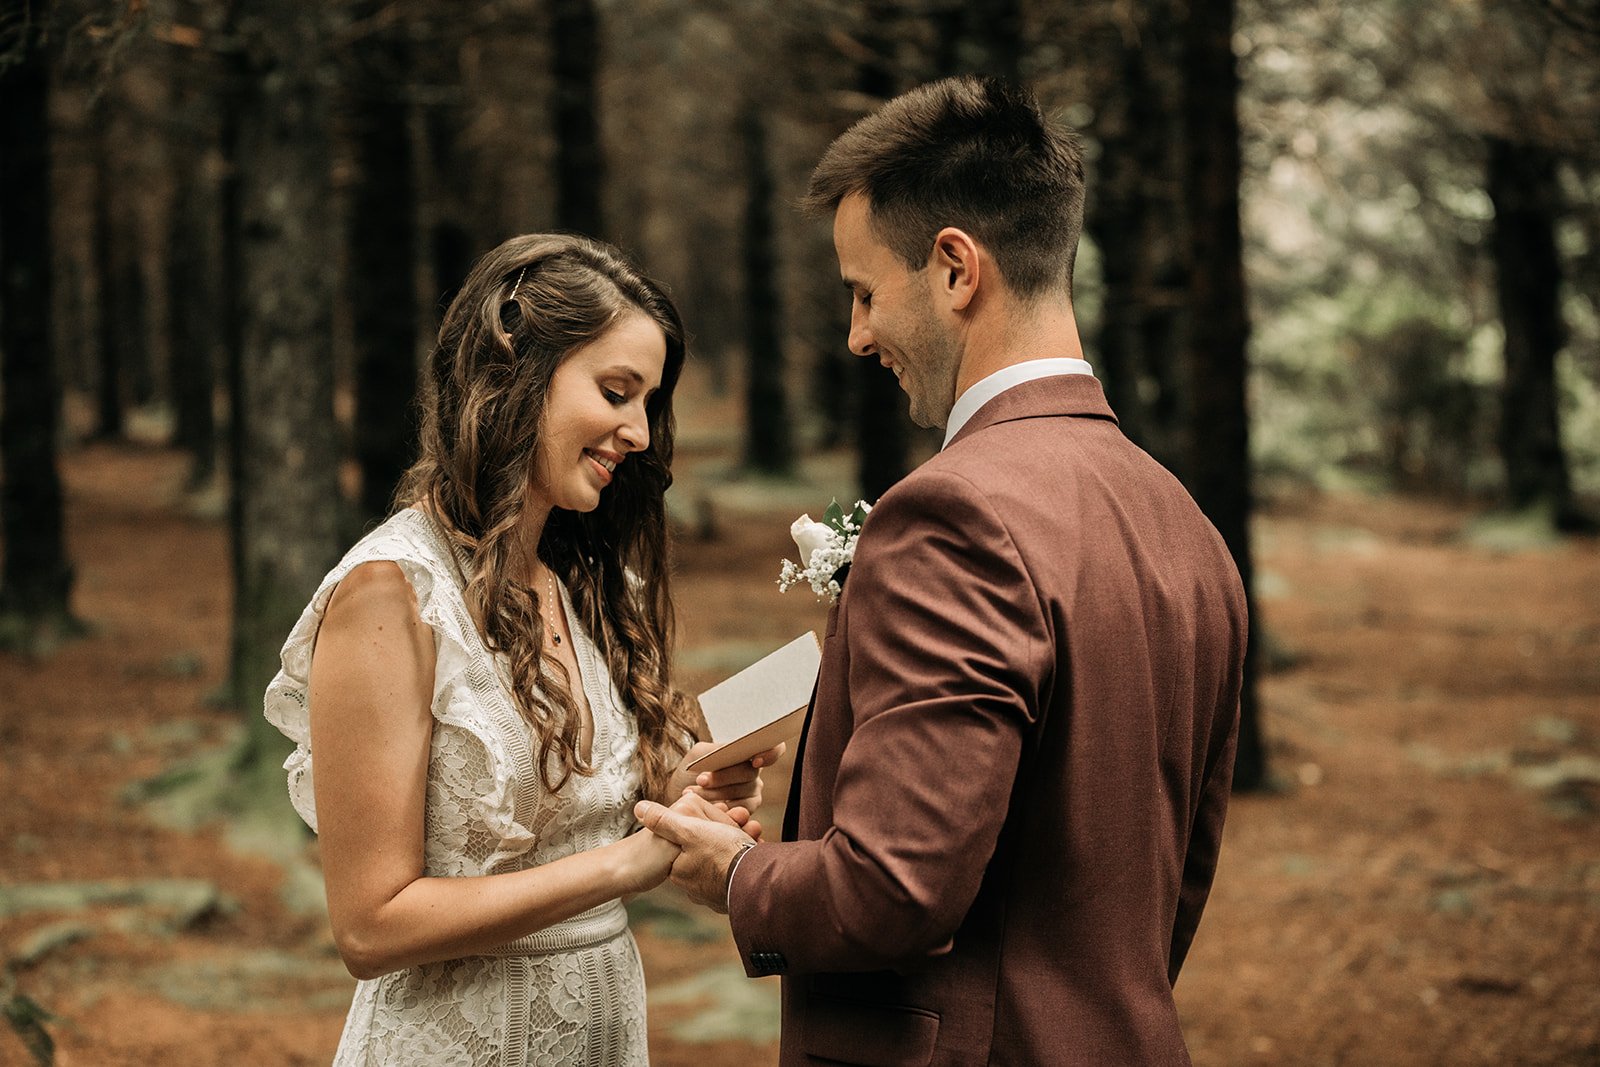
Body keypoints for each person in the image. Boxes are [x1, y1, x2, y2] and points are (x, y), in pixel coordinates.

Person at [634, 76, 1248, 1065]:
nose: (856, 334)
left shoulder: (951, 515)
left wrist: (737, 876)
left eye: (865, 291)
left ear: (957, 268)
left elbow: (894, 889)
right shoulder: (1185, 523)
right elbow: (1173, 882)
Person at [264, 233, 776, 1066]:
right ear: (516, 374)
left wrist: (689, 791)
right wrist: (627, 864)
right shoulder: (391, 594)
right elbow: (368, 924)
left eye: (648, 403)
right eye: (616, 392)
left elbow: (583, 815)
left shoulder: (585, 585)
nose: (637, 432)